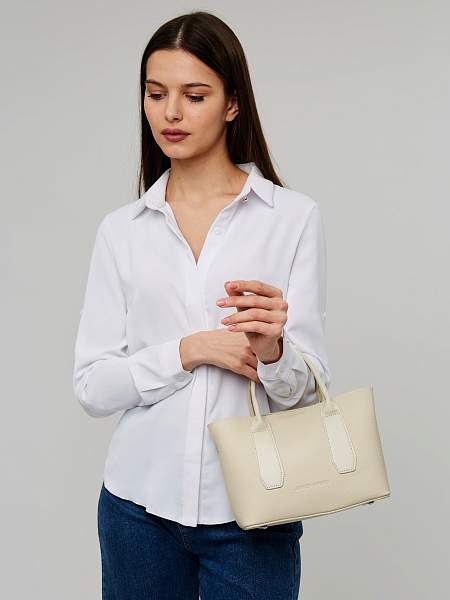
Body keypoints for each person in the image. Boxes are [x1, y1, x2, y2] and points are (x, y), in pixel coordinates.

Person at [73, 10, 331, 600]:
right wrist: (188, 351)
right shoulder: (121, 231)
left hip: (252, 514)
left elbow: (310, 394)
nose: (171, 113)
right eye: (155, 93)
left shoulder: (292, 219)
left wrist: (274, 352)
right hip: (137, 508)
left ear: (232, 103)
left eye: (194, 96)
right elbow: (92, 386)